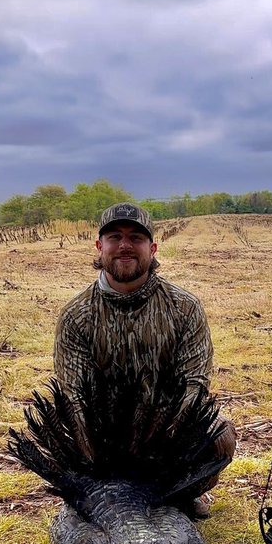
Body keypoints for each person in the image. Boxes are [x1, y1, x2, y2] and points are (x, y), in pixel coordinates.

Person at [53, 203, 236, 518]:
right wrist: (94, 452)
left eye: (136, 237)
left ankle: (182, 494)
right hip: (102, 443)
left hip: (166, 436)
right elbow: (72, 395)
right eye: (115, 237)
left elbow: (195, 382)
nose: (125, 246)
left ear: (152, 248)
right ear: (100, 246)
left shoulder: (184, 308)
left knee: (219, 435)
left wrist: (163, 439)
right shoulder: (76, 315)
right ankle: (100, 497)